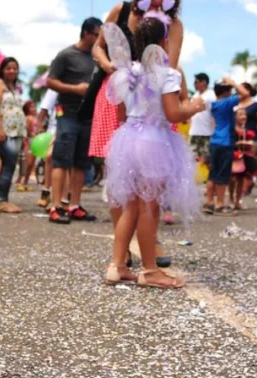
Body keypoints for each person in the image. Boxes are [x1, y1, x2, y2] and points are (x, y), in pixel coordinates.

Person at [102, 15, 204, 289]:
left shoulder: (126, 73)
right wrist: (194, 107)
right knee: (150, 207)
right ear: (164, 41)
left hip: (128, 138)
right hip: (153, 140)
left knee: (130, 207)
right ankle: (149, 270)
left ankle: (117, 265)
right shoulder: (167, 73)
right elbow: (173, 113)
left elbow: (122, 113)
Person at [46, 17, 102, 224]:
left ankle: (74, 206)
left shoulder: (99, 58)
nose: (99, 39)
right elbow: (50, 81)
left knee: (82, 163)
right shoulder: (66, 55)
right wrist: (75, 89)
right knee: (61, 160)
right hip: (67, 113)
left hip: (89, 116)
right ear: (86, 33)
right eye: (97, 34)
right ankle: (56, 206)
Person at [204, 78, 250, 214]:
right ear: (225, 91)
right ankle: (220, 204)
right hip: (225, 142)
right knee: (223, 176)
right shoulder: (226, 102)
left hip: (215, 141)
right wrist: (234, 83)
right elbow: (246, 94)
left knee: (213, 174)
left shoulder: (215, 104)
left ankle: (209, 202)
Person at [0, 56, 26, 213]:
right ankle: (2, 201)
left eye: (14, 68)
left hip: (16, 132)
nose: (12, 71)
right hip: (4, 131)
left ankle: (4, 199)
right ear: (2, 70)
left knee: (10, 165)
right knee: (9, 164)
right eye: (8, 68)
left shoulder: (14, 87)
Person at [188, 72, 214, 162]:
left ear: (204, 82)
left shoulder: (211, 95)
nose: (194, 84)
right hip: (194, 132)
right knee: (191, 160)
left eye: (196, 82)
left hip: (206, 133)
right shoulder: (195, 95)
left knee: (204, 160)